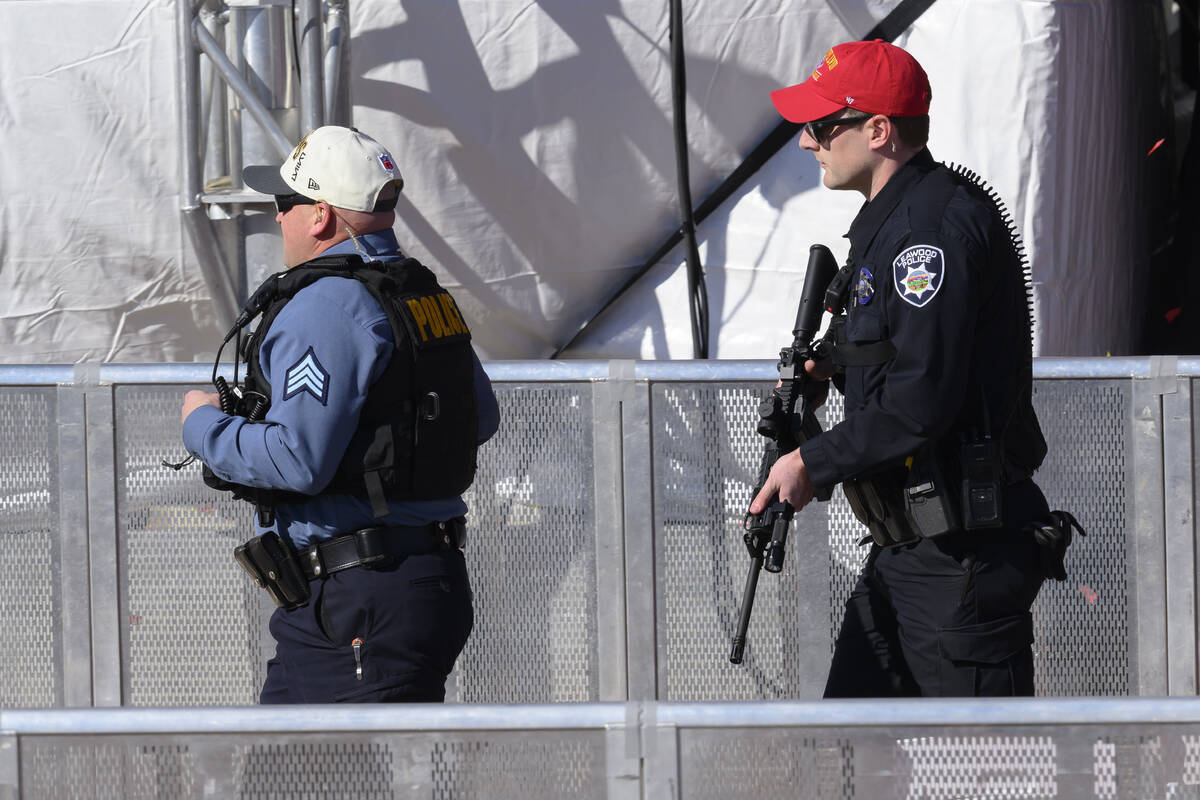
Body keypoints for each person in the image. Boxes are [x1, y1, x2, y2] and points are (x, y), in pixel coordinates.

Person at [751, 41, 1055, 697]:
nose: (808, 143)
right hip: (909, 558)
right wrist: (826, 363)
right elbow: (894, 353)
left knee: (978, 778)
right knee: (854, 762)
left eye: (823, 125)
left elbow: (921, 402)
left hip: (958, 565)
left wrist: (810, 463)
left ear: (879, 130)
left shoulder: (930, 235)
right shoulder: (890, 227)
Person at [180, 125, 500, 703]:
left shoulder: (326, 305)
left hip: (361, 599)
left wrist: (202, 425)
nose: (278, 218)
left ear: (320, 217)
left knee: (303, 778)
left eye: (285, 204)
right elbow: (482, 417)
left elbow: (297, 460)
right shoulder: (420, 292)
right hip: (416, 583)